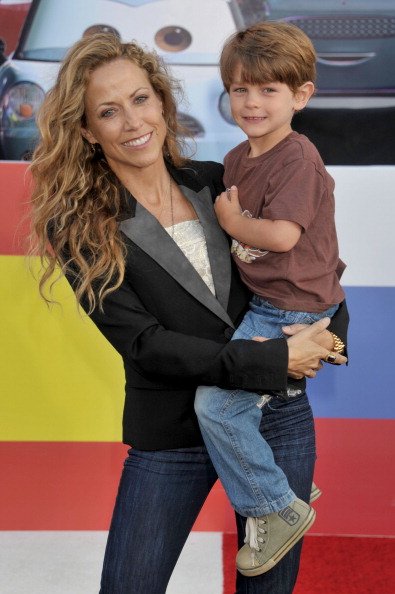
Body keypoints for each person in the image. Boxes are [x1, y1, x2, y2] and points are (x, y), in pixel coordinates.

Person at [29, 32, 348, 594]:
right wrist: (274, 357)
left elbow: (310, 258)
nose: (132, 122)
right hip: (173, 432)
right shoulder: (82, 229)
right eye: (108, 111)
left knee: (269, 588)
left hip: (275, 416)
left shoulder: (217, 180)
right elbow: (146, 344)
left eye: (140, 99)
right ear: (86, 131)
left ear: (162, 101)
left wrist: (328, 336)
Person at [194, 20, 347, 578]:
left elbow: (282, 236)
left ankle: (276, 506)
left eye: (268, 89)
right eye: (240, 89)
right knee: (255, 404)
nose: (252, 102)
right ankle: (286, 482)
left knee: (216, 406)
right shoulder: (238, 158)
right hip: (271, 303)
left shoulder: (298, 160)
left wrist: (234, 220)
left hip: (289, 310)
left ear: (301, 95)